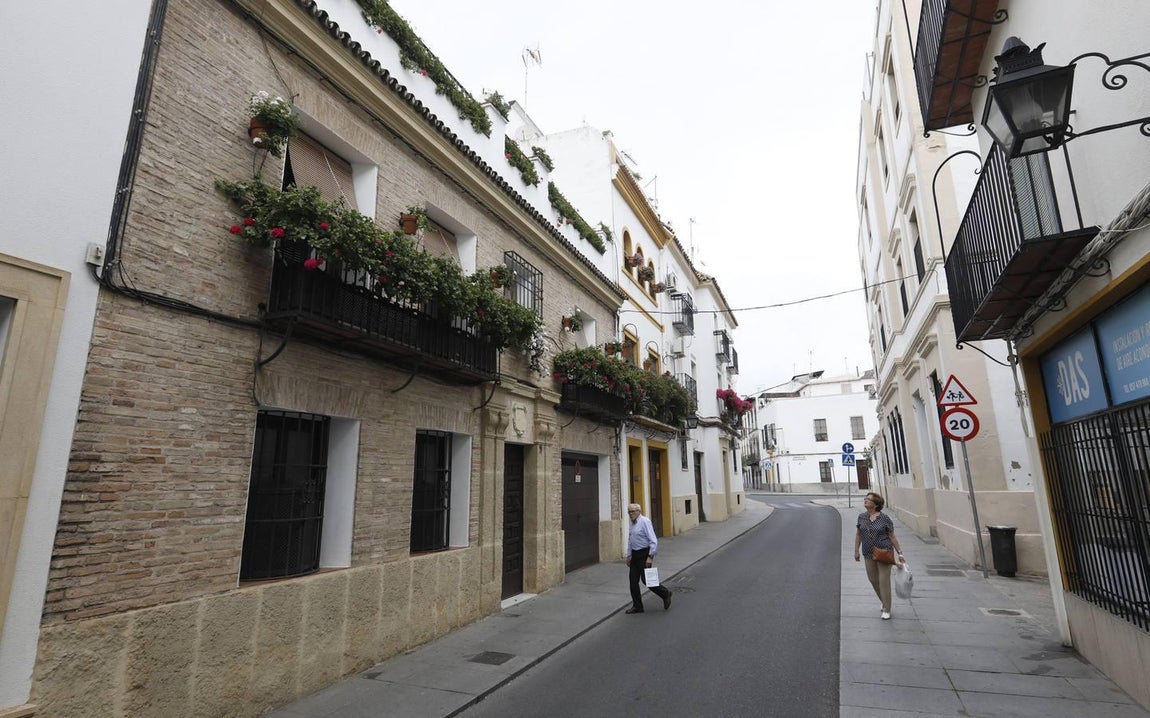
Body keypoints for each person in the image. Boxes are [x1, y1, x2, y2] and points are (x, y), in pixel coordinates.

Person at [854, 492, 903, 620]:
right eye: (865, 498)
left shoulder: (884, 518)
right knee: (873, 580)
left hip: (884, 551)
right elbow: (858, 534)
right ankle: (884, 601)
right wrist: (856, 550)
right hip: (868, 553)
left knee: (884, 581)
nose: (865, 500)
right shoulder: (861, 517)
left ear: (875, 505)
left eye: (868, 499)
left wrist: (900, 553)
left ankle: (887, 609)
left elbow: (892, 536)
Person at [624, 503, 672, 614]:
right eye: (629, 512)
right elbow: (630, 541)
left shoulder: (645, 522)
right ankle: (637, 606)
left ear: (639, 511)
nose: (630, 514)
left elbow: (653, 540)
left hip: (644, 554)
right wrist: (629, 555)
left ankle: (666, 594)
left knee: (648, 581)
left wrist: (650, 557)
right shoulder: (632, 524)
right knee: (633, 582)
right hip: (635, 556)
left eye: (633, 511)